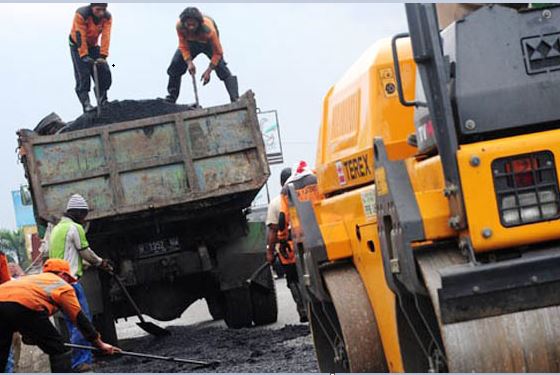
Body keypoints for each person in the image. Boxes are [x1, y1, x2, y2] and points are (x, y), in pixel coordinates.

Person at [0, 259, 119, 373]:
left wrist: (30, 334)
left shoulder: (31, 279)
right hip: (26, 306)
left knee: (2, 355)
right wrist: (99, 344)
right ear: (63, 275)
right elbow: (79, 318)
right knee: (59, 351)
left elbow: (12, 308)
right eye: (68, 278)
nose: (69, 282)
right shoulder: (62, 285)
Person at [49, 194, 113, 372]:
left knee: (73, 323)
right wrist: (101, 263)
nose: (85, 218)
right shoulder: (74, 227)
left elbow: (69, 257)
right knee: (82, 321)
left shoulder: (57, 229)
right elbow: (86, 253)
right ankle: (80, 362)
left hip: (57, 282)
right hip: (70, 283)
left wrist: (91, 264)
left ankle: (85, 359)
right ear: (77, 213)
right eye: (84, 214)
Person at [276, 161, 322, 323]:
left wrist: (281, 239)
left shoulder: (286, 190)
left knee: (304, 276)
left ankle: (312, 309)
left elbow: (282, 219)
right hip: (323, 230)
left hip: (301, 237)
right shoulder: (316, 177)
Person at [165, 7, 239, 104]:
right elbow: (183, 46)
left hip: (208, 44)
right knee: (176, 64)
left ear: (199, 23)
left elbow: (218, 53)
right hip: (191, 43)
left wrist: (208, 71)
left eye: (193, 25)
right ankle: (171, 97)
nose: (191, 27)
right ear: (184, 23)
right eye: (188, 24)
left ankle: (235, 99)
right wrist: (189, 62)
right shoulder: (180, 27)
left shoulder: (209, 31)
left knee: (221, 67)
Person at [69, 3, 113, 113]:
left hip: (93, 46)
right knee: (83, 75)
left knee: (104, 71)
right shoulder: (82, 14)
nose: (101, 13)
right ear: (92, 7)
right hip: (77, 46)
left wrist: (103, 55)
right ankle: (86, 104)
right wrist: (83, 55)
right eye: (98, 10)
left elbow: (106, 36)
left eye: (103, 10)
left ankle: (102, 99)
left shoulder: (107, 17)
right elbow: (80, 35)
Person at [265, 168, 293, 280]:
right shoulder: (306, 194)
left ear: (282, 184)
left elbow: (273, 231)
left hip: (289, 251)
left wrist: (270, 253)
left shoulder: (276, 203)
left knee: (293, 279)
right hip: (310, 243)